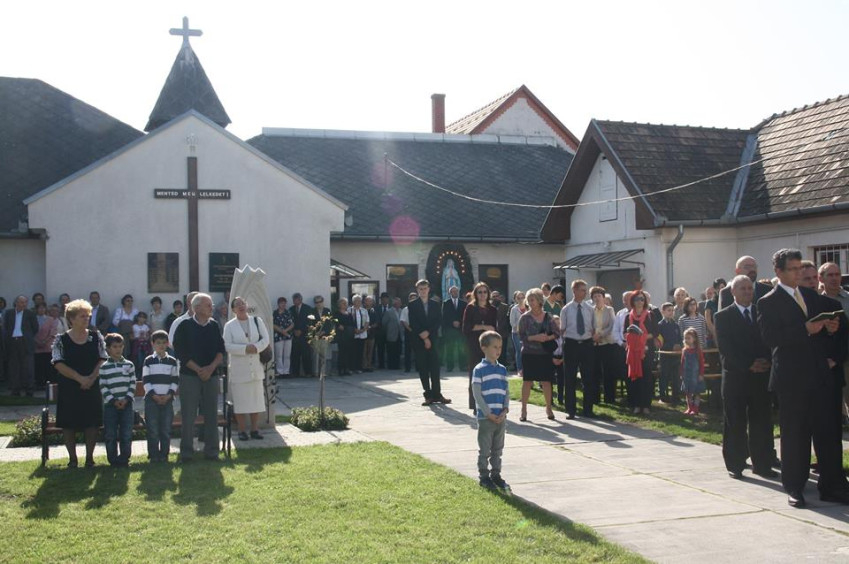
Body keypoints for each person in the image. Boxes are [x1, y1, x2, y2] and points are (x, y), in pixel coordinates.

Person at [758, 248, 849, 507]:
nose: (798, 273)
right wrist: (805, 329)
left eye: (800, 268)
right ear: (778, 271)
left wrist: (830, 328)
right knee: (795, 435)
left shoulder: (810, 296)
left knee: (828, 433)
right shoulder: (768, 301)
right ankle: (795, 487)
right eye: (793, 269)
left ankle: (832, 486)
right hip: (792, 378)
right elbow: (771, 338)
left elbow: (826, 327)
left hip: (819, 375)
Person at [714, 275, 774, 479]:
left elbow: (769, 340)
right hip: (736, 377)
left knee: (761, 422)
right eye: (743, 288)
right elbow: (726, 349)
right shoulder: (723, 316)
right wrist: (749, 364)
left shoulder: (761, 312)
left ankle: (762, 464)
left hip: (760, 377)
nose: (748, 292)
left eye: (750, 288)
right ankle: (735, 464)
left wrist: (766, 361)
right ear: (733, 291)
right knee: (735, 422)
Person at [51, 299, 107, 468]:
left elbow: (103, 358)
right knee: (68, 423)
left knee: (92, 422)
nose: (86, 319)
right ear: (72, 319)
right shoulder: (61, 339)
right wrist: (79, 378)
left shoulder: (96, 337)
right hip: (69, 387)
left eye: (88, 316)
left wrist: (91, 378)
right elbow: (58, 363)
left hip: (92, 385)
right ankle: (73, 460)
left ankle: (89, 459)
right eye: (82, 316)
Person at [173, 293, 226, 462]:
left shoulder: (214, 326)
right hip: (189, 376)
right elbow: (181, 352)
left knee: (211, 415)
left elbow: (221, 350)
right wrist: (199, 370)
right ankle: (187, 453)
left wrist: (210, 368)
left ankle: (212, 452)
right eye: (208, 305)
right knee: (188, 415)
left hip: (211, 376)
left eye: (211, 305)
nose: (212, 308)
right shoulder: (184, 326)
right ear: (197, 308)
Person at [223, 297, 270, 441]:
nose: (241, 306)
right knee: (240, 402)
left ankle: (254, 429)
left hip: (255, 368)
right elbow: (227, 345)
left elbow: (266, 339)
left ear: (247, 305)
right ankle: (242, 430)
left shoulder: (257, 321)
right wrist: (244, 349)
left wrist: (255, 347)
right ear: (233, 309)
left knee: (256, 401)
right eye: (237, 305)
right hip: (239, 370)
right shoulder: (229, 326)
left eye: (243, 303)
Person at [472, 331, 510, 492]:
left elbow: (506, 391)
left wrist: (505, 410)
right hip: (486, 418)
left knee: (497, 449)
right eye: (495, 347)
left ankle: (496, 474)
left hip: (500, 417)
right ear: (484, 348)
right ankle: (484, 476)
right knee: (485, 449)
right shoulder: (479, 369)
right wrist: (487, 413)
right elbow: (477, 393)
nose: (498, 350)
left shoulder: (502, 370)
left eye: (500, 347)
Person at [408, 279, 451, 405]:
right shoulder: (412, 305)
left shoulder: (435, 304)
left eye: (425, 288)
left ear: (428, 289)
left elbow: (438, 321)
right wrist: (424, 336)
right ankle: (428, 395)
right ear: (417, 290)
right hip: (419, 339)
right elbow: (413, 322)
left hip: (433, 338)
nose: (423, 291)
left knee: (435, 367)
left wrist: (429, 333)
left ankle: (437, 394)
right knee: (423, 367)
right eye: (420, 289)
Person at [517, 288, 557, 422]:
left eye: (532, 300)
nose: (530, 302)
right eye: (528, 300)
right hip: (529, 354)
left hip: (544, 354)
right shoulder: (524, 318)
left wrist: (547, 338)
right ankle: (523, 409)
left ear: (540, 301)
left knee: (546, 381)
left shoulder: (548, 317)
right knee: (527, 381)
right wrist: (535, 337)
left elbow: (557, 333)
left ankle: (549, 408)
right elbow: (521, 336)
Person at [142, 330, 179, 463]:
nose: (161, 345)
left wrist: (169, 395)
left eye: (164, 343)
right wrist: (155, 396)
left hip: (167, 400)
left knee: (166, 429)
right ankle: (153, 455)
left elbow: (175, 380)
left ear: (168, 344)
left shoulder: (172, 361)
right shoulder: (148, 361)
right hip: (152, 400)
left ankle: (164, 455)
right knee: (152, 429)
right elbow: (146, 380)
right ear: (153, 344)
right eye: (158, 343)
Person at [99, 333, 136, 467]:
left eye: (120, 346)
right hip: (110, 406)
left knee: (126, 433)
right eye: (115, 347)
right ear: (108, 348)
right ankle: (113, 459)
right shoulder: (104, 367)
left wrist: (126, 399)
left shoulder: (129, 364)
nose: (118, 349)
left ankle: (124, 458)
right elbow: (103, 386)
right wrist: (113, 401)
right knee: (111, 434)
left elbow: (132, 383)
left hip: (127, 404)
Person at [819, 262, 849, 424]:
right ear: (821, 278)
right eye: (830, 275)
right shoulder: (816, 301)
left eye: (837, 274)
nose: (834, 278)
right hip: (830, 359)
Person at [560, 280, 596, 418]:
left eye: (585, 290)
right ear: (574, 290)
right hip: (571, 344)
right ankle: (571, 410)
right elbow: (562, 329)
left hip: (587, 344)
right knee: (570, 378)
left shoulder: (590, 309)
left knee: (588, 378)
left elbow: (593, 328)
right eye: (582, 290)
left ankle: (588, 410)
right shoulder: (566, 309)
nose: (585, 292)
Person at [463, 282, 498, 410]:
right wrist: (483, 326)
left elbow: (494, 328)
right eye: (479, 292)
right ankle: (475, 404)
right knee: (475, 375)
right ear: (475, 294)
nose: (482, 294)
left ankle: (488, 403)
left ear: (488, 293)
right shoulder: (470, 308)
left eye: (484, 292)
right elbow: (466, 328)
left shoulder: (493, 309)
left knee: (489, 375)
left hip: (489, 346)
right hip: (474, 345)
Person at [623, 290, 658, 414]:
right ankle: (636, 405)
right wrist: (635, 338)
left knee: (646, 378)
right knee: (634, 378)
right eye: (637, 299)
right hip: (633, 351)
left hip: (646, 351)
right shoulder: (628, 316)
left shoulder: (650, 315)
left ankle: (646, 405)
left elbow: (655, 332)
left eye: (642, 299)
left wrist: (641, 337)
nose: (640, 301)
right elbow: (625, 333)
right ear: (633, 301)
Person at [3, 295, 39, 396]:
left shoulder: (30, 313)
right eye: (21, 302)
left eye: (25, 302)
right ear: (16, 303)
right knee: (14, 366)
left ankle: (29, 389)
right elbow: (6, 327)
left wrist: (28, 337)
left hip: (25, 342)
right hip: (12, 341)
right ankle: (15, 389)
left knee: (28, 367)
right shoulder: (9, 313)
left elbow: (35, 328)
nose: (24, 304)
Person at [590, 286, 617, 405]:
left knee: (608, 371)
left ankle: (609, 398)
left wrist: (600, 335)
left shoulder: (609, 310)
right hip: (594, 344)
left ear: (603, 297)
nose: (597, 298)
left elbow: (612, 325)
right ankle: (595, 398)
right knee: (595, 372)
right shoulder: (590, 310)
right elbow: (588, 325)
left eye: (599, 296)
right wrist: (593, 336)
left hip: (607, 343)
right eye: (594, 296)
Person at [656, 302, 682, 404]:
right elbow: (659, 342)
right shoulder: (660, 325)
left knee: (676, 377)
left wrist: (679, 345)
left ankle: (676, 396)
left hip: (675, 355)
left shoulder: (676, 325)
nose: (671, 312)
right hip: (665, 355)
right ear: (663, 312)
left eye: (672, 310)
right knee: (664, 376)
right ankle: (662, 396)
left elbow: (680, 338)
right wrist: (671, 346)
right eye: (669, 310)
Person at [680, 328, 706, 415]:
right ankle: (689, 407)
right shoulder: (684, 350)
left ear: (694, 339)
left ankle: (695, 408)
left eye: (688, 338)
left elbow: (701, 363)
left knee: (697, 392)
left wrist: (701, 374)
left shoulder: (698, 351)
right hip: (687, 375)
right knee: (688, 392)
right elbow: (682, 362)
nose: (686, 340)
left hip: (696, 375)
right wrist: (681, 373)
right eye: (685, 338)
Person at [441, 285, 466, 372]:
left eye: (456, 291)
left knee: (461, 348)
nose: (455, 293)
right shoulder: (446, 303)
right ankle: (450, 366)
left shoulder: (463, 303)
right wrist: (452, 322)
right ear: (450, 293)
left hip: (460, 329)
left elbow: (465, 316)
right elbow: (444, 316)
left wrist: (459, 322)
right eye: (453, 291)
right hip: (450, 329)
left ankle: (463, 366)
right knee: (450, 348)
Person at [289, 293, 314, 377]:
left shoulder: (308, 308)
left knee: (306, 354)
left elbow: (310, 322)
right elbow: (289, 321)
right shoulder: (291, 309)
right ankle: (295, 372)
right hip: (295, 335)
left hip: (304, 335)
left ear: (300, 300)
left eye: (296, 300)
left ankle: (308, 372)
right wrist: (294, 330)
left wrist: (302, 330)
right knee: (295, 354)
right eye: (293, 300)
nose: (294, 302)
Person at [272, 297, 294, 378]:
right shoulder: (275, 313)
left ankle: (286, 371)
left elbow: (292, 324)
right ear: (278, 304)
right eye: (281, 303)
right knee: (279, 355)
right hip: (278, 336)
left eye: (284, 303)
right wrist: (281, 331)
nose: (283, 305)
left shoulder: (288, 312)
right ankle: (280, 372)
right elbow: (273, 324)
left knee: (287, 355)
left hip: (288, 336)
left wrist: (285, 331)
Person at [333, 298, 355, 375]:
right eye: (343, 303)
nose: (345, 304)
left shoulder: (349, 314)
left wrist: (347, 328)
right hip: (341, 336)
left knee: (348, 352)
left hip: (348, 335)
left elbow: (352, 324)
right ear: (339, 304)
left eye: (346, 303)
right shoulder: (336, 313)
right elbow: (336, 323)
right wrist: (340, 326)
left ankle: (347, 369)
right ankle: (341, 369)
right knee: (341, 352)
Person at [311, 296, 332, 377]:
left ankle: (322, 372)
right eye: (317, 302)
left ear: (323, 302)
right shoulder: (312, 311)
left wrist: (324, 332)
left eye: (320, 302)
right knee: (315, 355)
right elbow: (310, 323)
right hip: (315, 336)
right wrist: (315, 333)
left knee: (323, 355)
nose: (318, 304)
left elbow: (329, 324)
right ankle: (315, 372)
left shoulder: (327, 311)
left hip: (324, 335)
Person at [112, 294, 138, 358]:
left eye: (131, 301)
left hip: (133, 332)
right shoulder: (119, 310)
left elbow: (138, 321)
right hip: (122, 331)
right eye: (128, 301)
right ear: (124, 301)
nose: (130, 302)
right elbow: (115, 321)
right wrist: (125, 323)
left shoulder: (135, 311)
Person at [349, 295, 369, 374]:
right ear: (353, 302)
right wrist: (354, 330)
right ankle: (351, 367)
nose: (358, 302)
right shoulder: (349, 310)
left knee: (360, 351)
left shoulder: (364, 310)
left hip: (362, 334)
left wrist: (363, 330)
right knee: (352, 352)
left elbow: (367, 321)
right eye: (357, 301)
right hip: (352, 334)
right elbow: (348, 321)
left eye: (360, 301)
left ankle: (359, 367)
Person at [509, 291, 527, 377]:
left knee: (526, 351)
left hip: (527, 333)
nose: (520, 299)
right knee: (519, 351)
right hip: (516, 333)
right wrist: (519, 328)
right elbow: (512, 322)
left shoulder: (528, 308)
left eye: (522, 297)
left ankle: (526, 368)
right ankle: (520, 369)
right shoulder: (514, 309)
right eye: (518, 298)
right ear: (516, 299)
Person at [382, 297, 403, 370]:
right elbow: (384, 323)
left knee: (398, 350)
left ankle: (397, 365)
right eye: (398, 303)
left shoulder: (401, 311)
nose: (400, 304)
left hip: (399, 334)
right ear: (395, 304)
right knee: (391, 350)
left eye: (400, 302)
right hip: (391, 334)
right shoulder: (388, 312)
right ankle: (391, 365)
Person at [131, 312, 152, 379]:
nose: (142, 319)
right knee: (138, 360)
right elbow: (131, 337)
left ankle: (143, 375)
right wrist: (137, 337)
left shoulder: (146, 327)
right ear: (137, 318)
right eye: (140, 317)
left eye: (143, 317)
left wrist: (146, 338)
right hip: (137, 344)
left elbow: (149, 335)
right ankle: (137, 375)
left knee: (144, 359)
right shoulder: (134, 326)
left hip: (145, 345)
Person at [400, 292, 416, 373]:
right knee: (407, 351)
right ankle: (407, 368)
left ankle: (418, 367)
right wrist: (409, 329)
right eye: (411, 298)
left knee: (418, 350)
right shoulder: (405, 309)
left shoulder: (419, 308)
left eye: (414, 299)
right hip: (408, 330)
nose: (413, 300)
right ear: (409, 299)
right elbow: (403, 321)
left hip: (418, 331)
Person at [375, 292, 391, 369]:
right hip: (380, 332)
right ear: (381, 300)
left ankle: (390, 364)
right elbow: (376, 319)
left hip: (390, 332)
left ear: (388, 299)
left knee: (389, 348)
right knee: (380, 348)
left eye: (386, 299)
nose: (384, 301)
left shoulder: (391, 308)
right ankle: (381, 365)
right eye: (383, 299)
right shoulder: (376, 308)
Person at [362, 295, 377, 373]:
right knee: (364, 350)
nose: (369, 302)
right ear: (364, 302)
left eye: (370, 301)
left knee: (370, 351)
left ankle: (369, 365)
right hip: (363, 333)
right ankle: (364, 366)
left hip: (371, 334)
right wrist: (364, 328)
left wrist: (370, 327)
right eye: (367, 301)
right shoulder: (362, 311)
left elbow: (377, 322)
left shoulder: (374, 311)